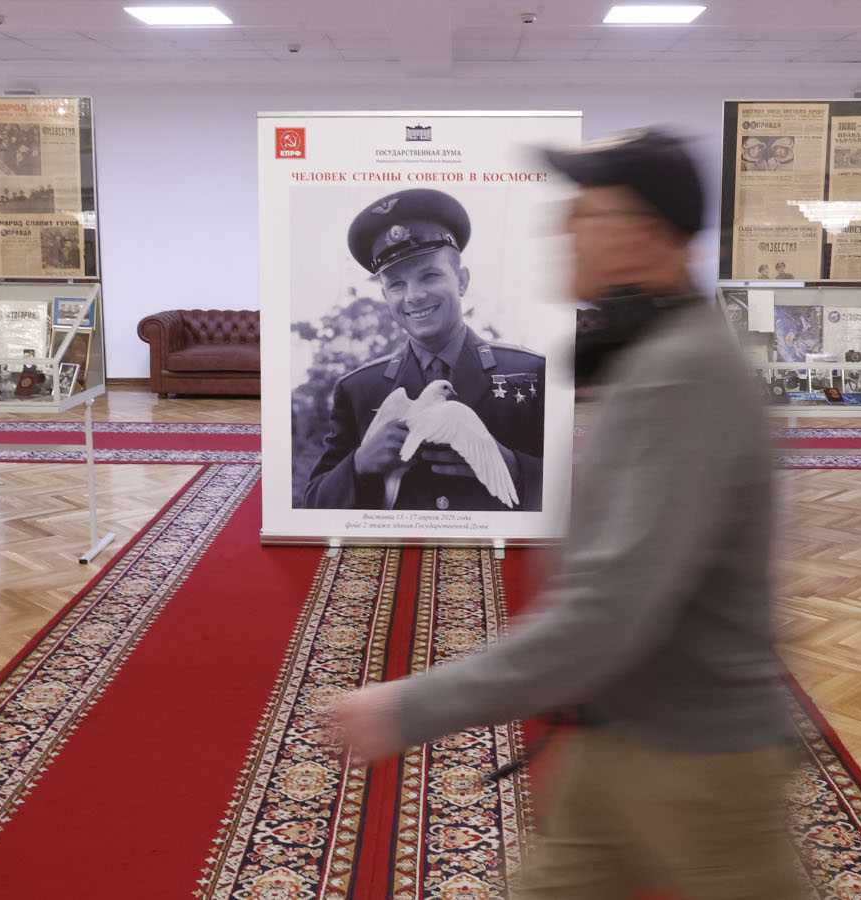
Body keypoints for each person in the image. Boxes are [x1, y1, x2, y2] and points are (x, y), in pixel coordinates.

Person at [333, 128, 802, 900]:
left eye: (585, 213)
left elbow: (607, 610)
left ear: (647, 234)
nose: (564, 229)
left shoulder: (679, 376)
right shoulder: (659, 355)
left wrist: (412, 705)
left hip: (700, 765)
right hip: (622, 733)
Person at [302, 188, 545, 511]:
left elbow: (576, 489)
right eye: (396, 284)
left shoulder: (531, 373)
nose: (414, 296)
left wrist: (513, 468)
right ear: (385, 296)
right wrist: (359, 464)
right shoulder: (358, 389)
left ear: (461, 280)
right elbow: (313, 506)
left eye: (429, 275)